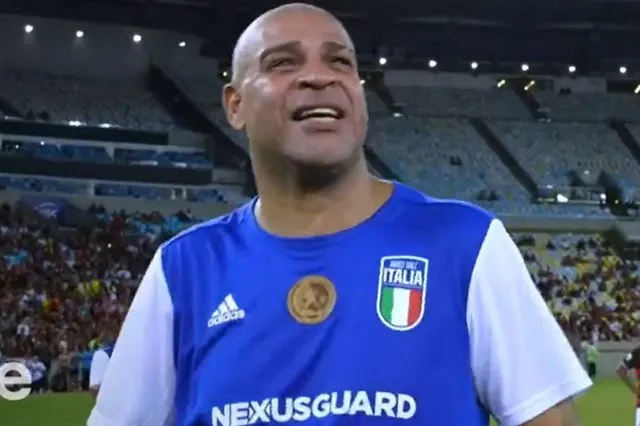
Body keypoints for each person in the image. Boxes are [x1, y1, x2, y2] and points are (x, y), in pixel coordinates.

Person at [88, 3, 591, 425]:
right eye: (283, 63)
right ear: (235, 105)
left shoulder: (465, 243)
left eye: (340, 61)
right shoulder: (183, 269)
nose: (318, 75)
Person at [617, 345, 640, 426]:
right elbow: (620, 370)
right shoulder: (637, 352)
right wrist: (635, 390)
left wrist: (635, 390)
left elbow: (620, 370)